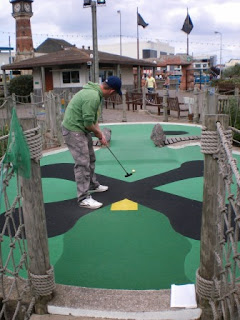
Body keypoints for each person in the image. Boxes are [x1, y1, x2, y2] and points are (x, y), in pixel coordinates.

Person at [62, 76, 122, 209]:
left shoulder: (97, 93)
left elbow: (93, 119)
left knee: (91, 157)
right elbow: (88, 123)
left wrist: (101, 135)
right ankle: (83, 198)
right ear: (112, 91)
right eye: (115, 94)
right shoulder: (93, 97)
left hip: (81, 129)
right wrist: (99, 134)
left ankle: (92, 184)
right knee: (82, 163)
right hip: (74, 130)